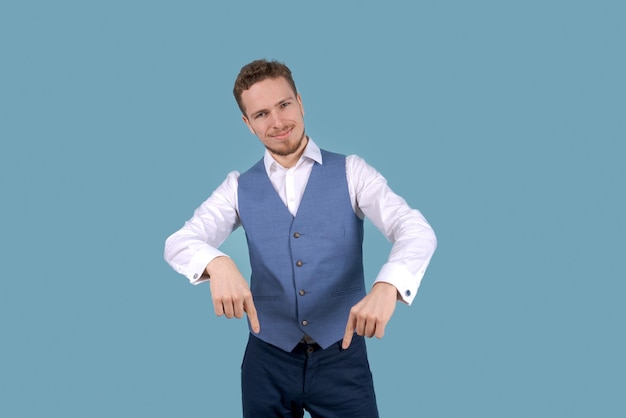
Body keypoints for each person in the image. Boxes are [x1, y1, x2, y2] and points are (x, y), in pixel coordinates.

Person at [164, 59, 437, 418]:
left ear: (301, 102)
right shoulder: (237, 187)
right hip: (267, 362)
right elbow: (179, 241)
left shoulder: (352, 171)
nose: (277, 122)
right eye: (261, 114)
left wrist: (388, 285)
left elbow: (415, 229)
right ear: (248, 124)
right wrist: (218, 262)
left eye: (284, 105)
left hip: (342, 357)